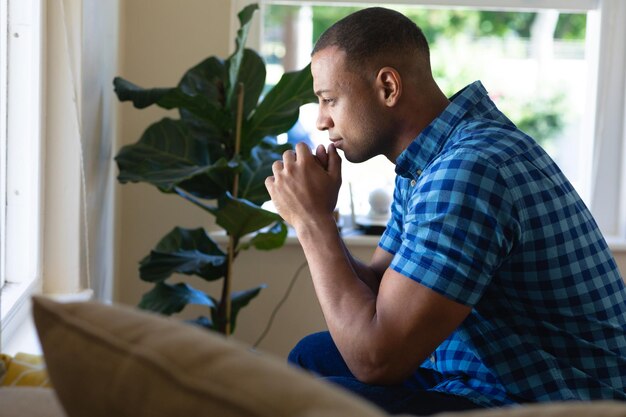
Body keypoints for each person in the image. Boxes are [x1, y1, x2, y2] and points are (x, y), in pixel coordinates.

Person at [264, 7, 626, 416]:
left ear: (387, 87)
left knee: (316, 401)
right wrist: (319, 215)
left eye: (329, 99)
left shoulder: (467, 170)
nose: (321, 120)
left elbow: (377, 359)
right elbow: (380, 288)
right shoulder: (428, 160)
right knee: (313, 357)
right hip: (484, 374)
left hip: (548, 397)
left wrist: (312, 224)